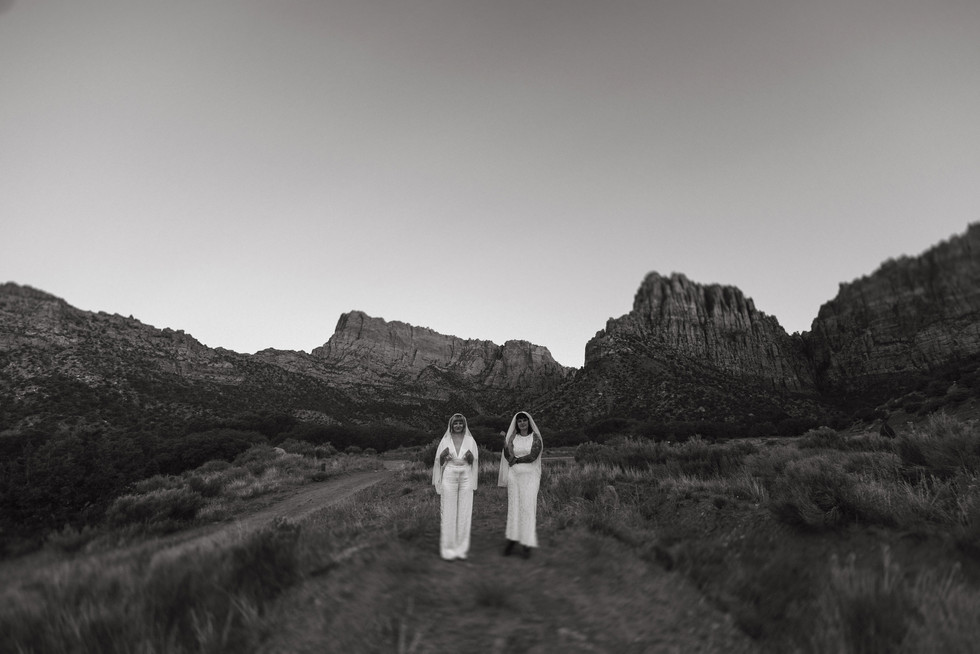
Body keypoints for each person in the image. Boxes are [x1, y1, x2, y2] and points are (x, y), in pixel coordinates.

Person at [432, 413, 479, 561]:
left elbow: (474, 462)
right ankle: (448, 548)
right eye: (455, 423)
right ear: (451, 425)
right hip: (450, 474)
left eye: (460, 423)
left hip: (466, 475)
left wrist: (471, 458)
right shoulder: (445, 440)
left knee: (465, 510)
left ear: (464, 425)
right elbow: (438, 462)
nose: (458, 425)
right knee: (448, 510)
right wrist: (442, 456)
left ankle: (461, 549)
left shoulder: (470, 440)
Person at [497, 410, 543, 558]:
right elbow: (508, 454)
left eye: (524, 420)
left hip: (530, 475)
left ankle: (526, 543)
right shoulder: (513, 437)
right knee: (514, 507)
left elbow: (533, 456)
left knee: (528, 507)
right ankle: (512, 539)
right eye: (519, 421)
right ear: (516, 423)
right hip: (514, 476)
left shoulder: (535, 437)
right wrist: (505, 446)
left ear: (529, 422)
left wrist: (516, 460)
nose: (522, 422)